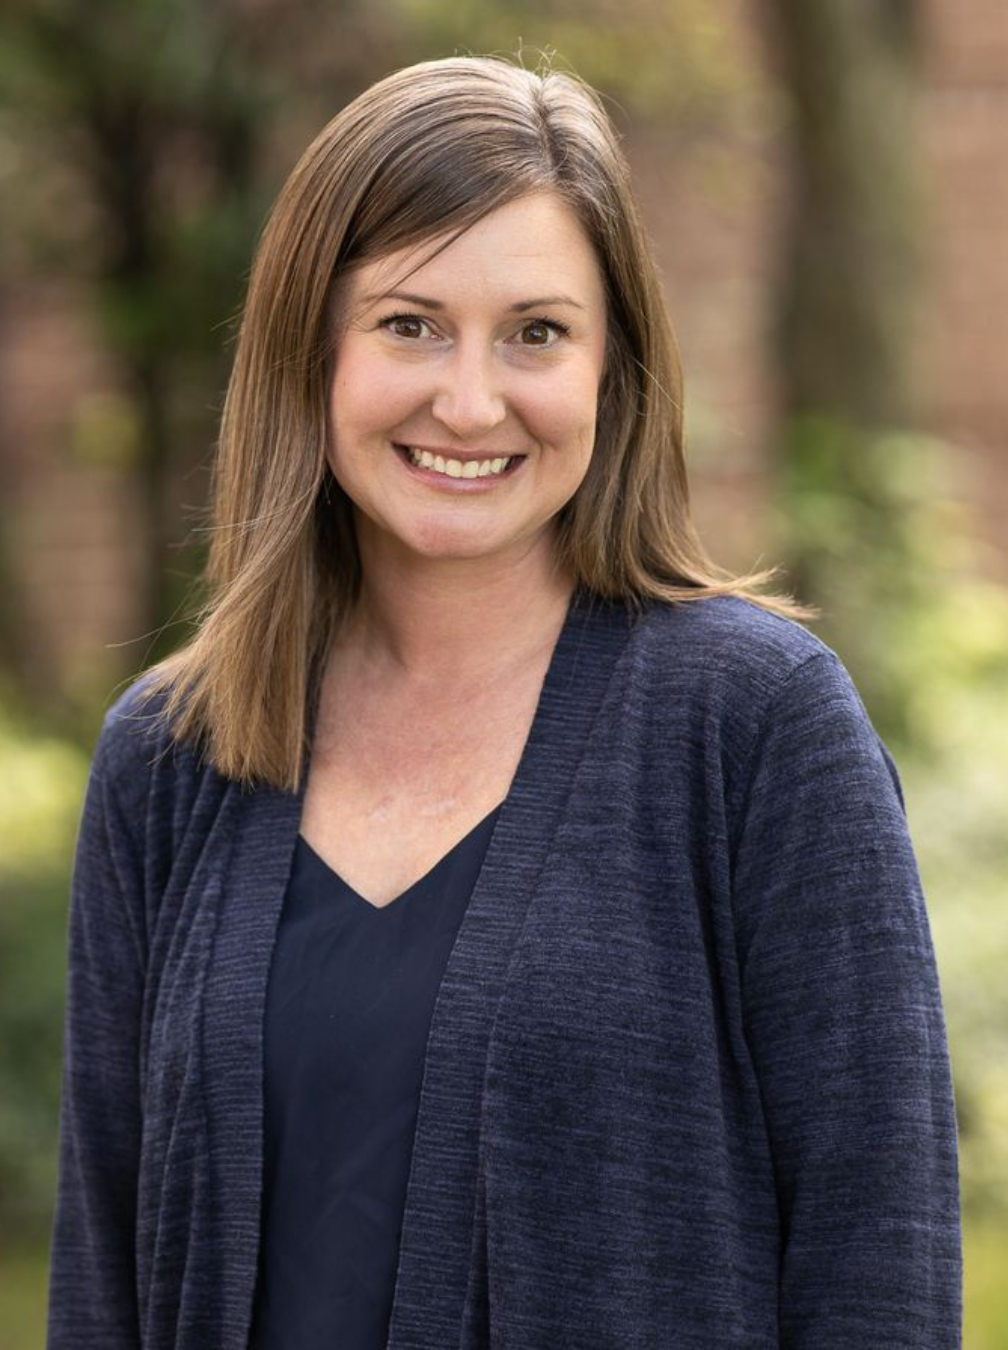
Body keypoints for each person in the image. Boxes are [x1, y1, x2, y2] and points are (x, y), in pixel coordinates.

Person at [47, 54, 962, 1350]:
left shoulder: (755, 726)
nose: (470, 401)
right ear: (311, 350)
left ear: (611, 371)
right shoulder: (170, 758)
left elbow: (882, 1272)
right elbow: (103, 1275)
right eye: (410, 323)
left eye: (537, 332)